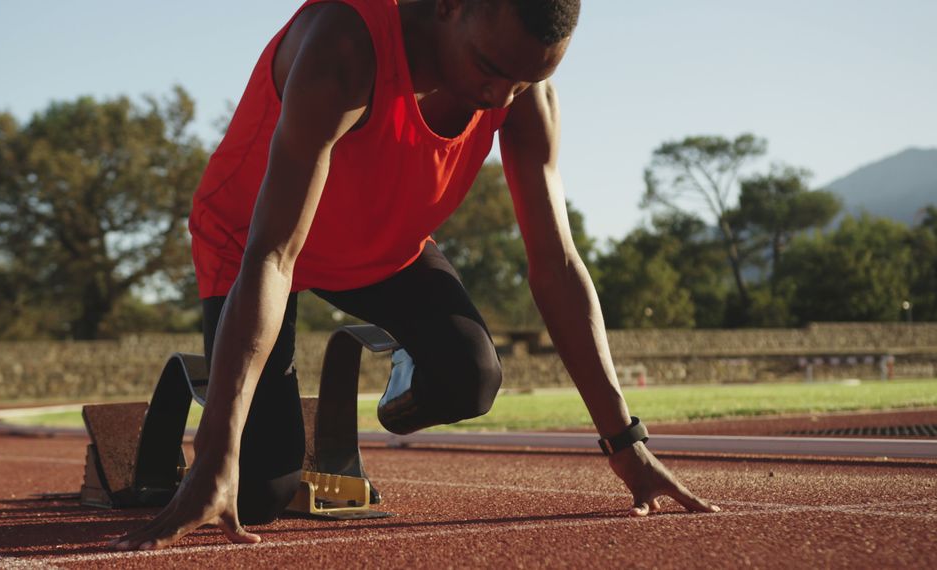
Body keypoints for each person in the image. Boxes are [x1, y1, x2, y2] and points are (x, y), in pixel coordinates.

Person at [113, 0, 719, 551]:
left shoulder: (518, 88)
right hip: (253, 242)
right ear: (452, 7)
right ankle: (201, 381)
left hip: (382, 246)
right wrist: (215, 453)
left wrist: (625, 442)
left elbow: (556, 264)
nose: (500, 97)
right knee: (253, 494)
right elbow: (273, 255)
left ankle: (393, 367)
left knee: (470, 379)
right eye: (490, 68)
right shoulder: (344, 45)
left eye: (525, 80)